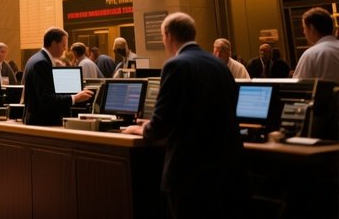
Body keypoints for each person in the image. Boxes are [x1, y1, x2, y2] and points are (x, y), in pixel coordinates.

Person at [122, 13, 246, 219]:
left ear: (168, 35)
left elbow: (161, 126)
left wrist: (141, 128)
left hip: (191, 173)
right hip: (227, 168)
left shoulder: (176, 65)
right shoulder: (219, 65)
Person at [22, 27, 93, 126]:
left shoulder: (35, 58)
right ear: (54, 44)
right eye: (63, 46)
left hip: (37, 121)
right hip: (42, 123)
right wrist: (75, 98)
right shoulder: (41, 62)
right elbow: (46, 99)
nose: (65, 50)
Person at [293, 7, 339, 82]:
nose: (304, 32)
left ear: (311, 28)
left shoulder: (311, 54)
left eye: (304, 28)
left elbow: (300, 87)